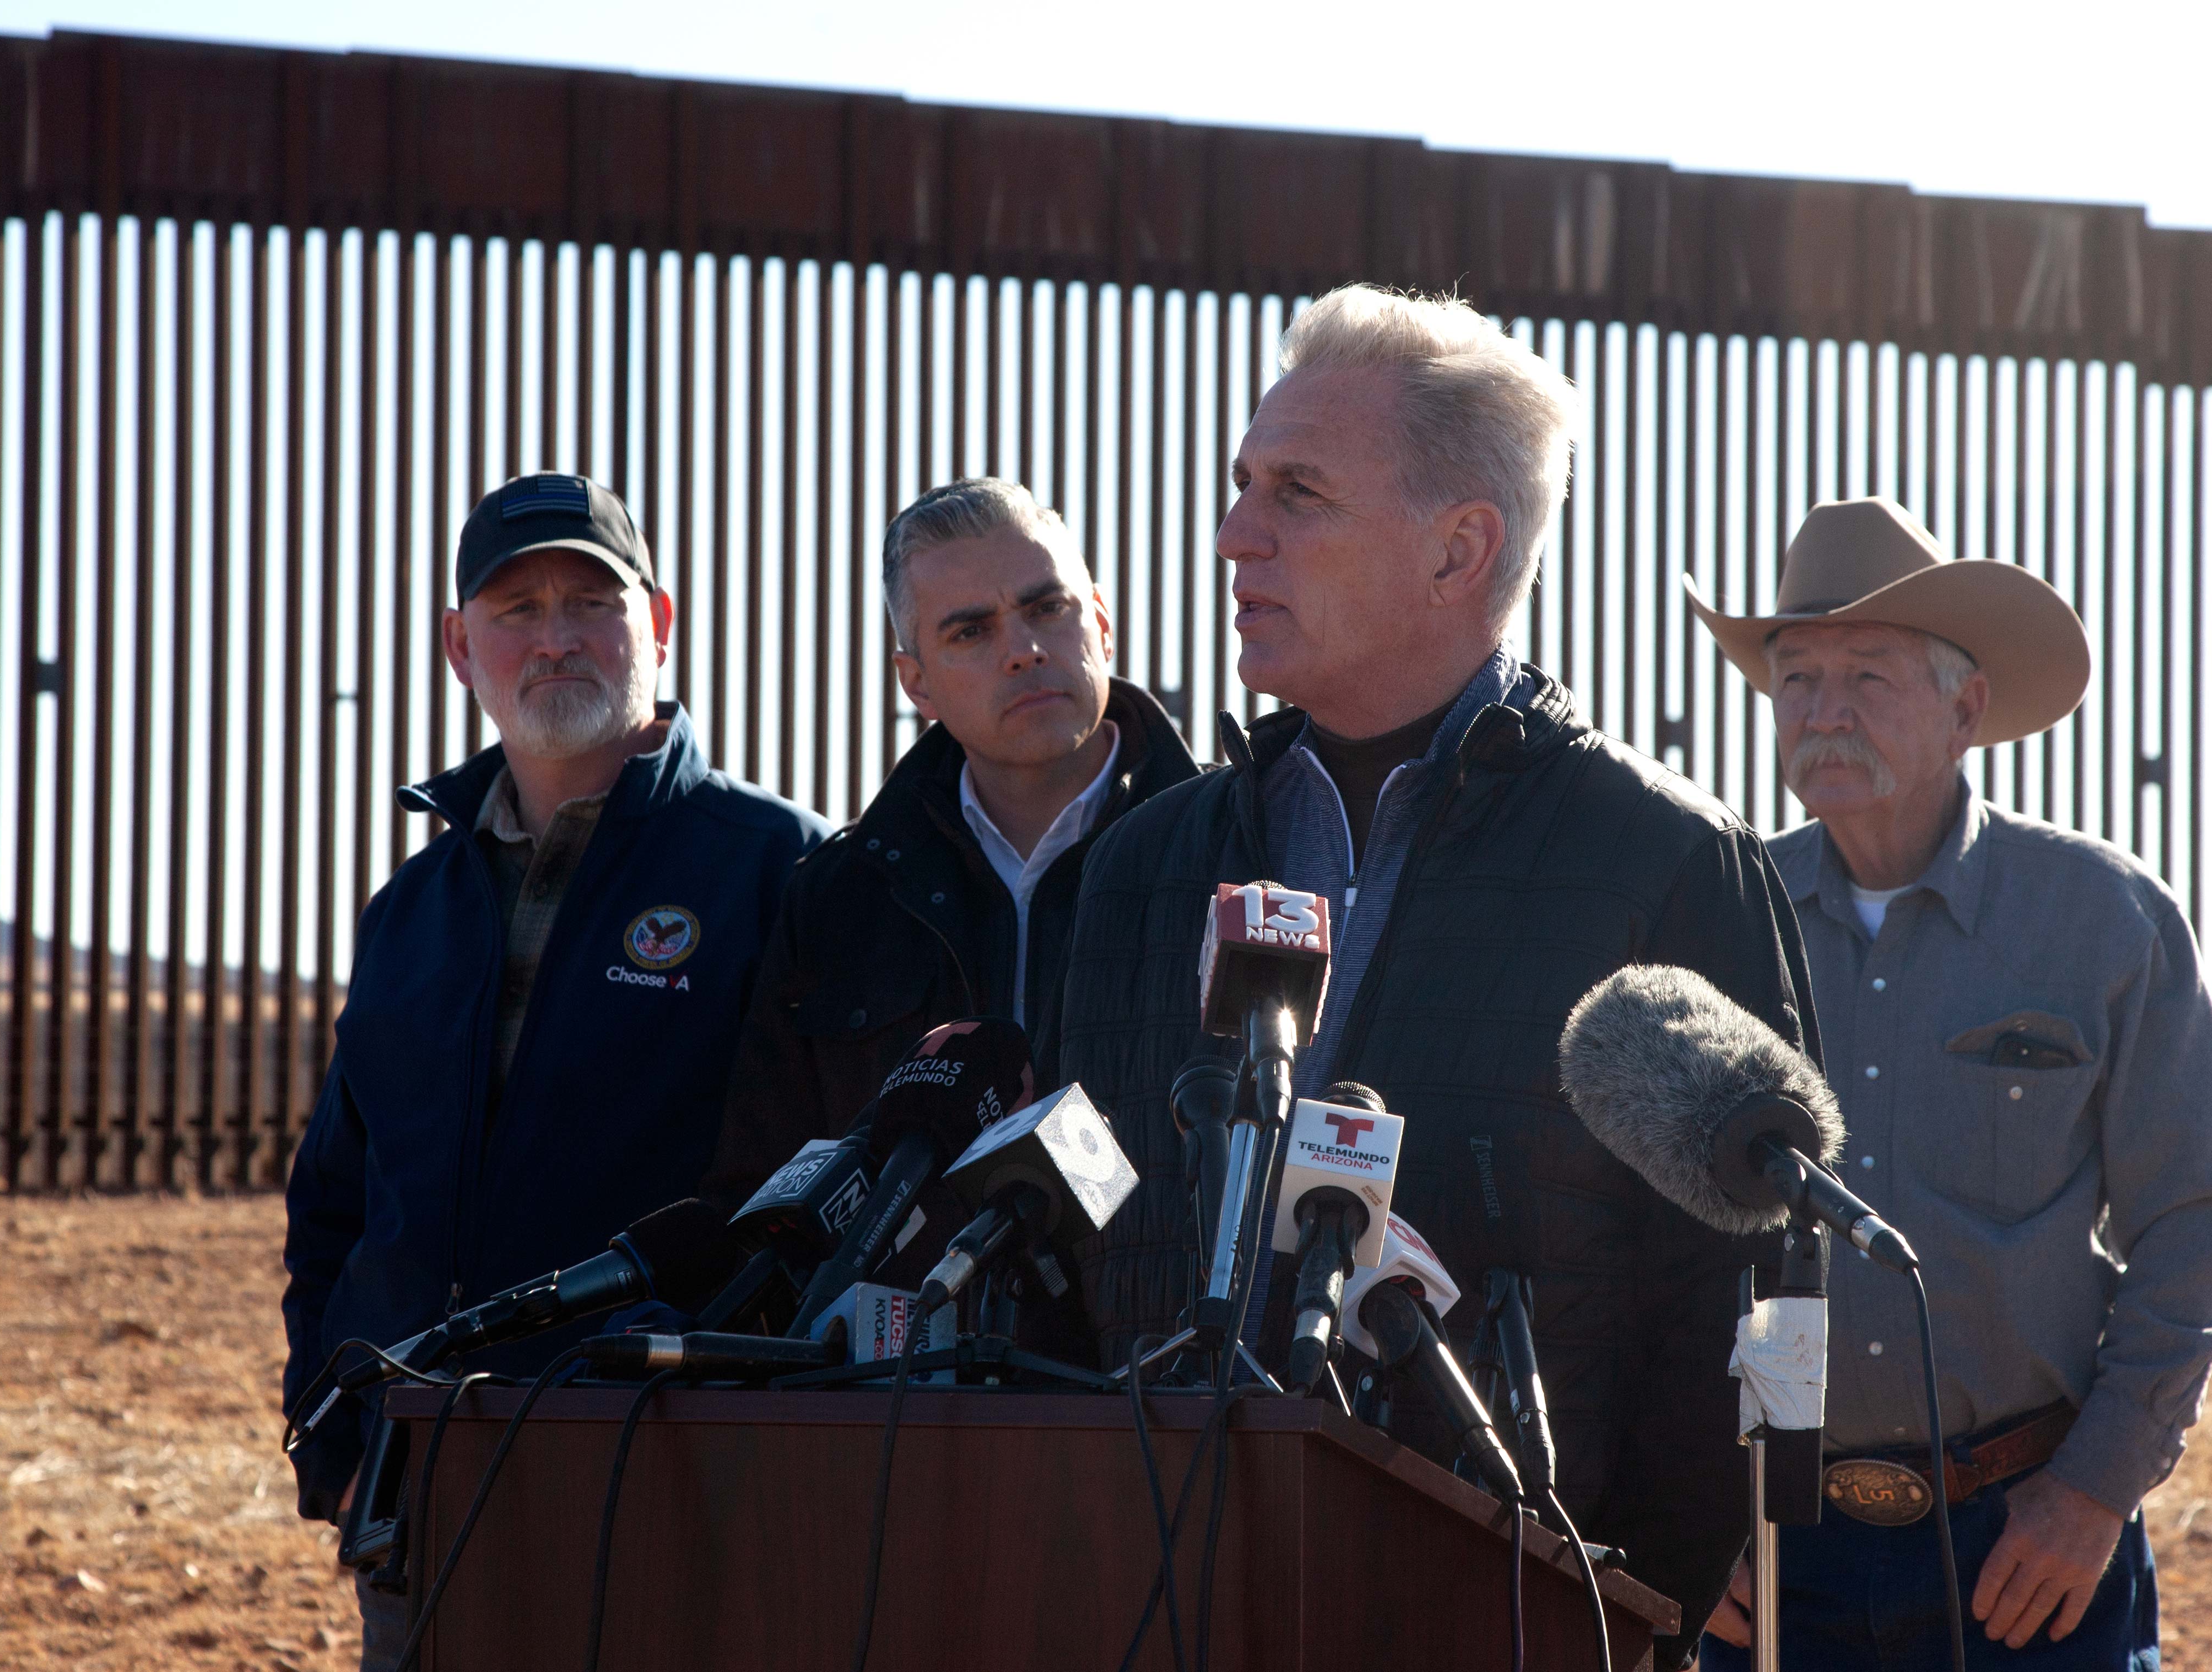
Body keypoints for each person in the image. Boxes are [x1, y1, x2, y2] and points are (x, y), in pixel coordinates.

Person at [1051, 284, 1820, 1670]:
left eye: (1297, 493)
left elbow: (1758, 1303)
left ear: (1459, 549)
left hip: (1524, 1615)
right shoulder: (1139, 867)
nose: (1234, 536)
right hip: (1161, 1593)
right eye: (1239, 488)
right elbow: (1080, 1224)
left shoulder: (1664, 866)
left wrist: (1628, 1610)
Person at [1684, 497, 2212, 1671]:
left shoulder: (2102, 920)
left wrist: (2093, 1493)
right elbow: (1641, 1248)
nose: (1823, 712)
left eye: (1865, 676)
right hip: (1767, 1551)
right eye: (1796, 678)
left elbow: (2198, 1223)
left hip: (2024, 1545)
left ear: (1966, 709)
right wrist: (1683, 1517)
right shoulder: (1717, 925)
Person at [279, 473, 831, 1670]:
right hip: (423, 1478)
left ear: (662, 623)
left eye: (591, 600)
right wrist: (330, 1413)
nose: (554, 636)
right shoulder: (412, 907)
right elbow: (337, 1196)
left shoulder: (778, 868)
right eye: (516, 608)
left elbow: (827, 1194)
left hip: (667, 1481)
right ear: (457, 645)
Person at [702, 479, 1198, 1221]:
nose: (1023, 651)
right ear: (918, 684)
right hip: (914, 1334)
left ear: (1100, 621)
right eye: (971, 632)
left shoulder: (1231, 850)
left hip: (1165, 1333)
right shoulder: (840, 898)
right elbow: (763, 1189)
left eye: (1047, 609)